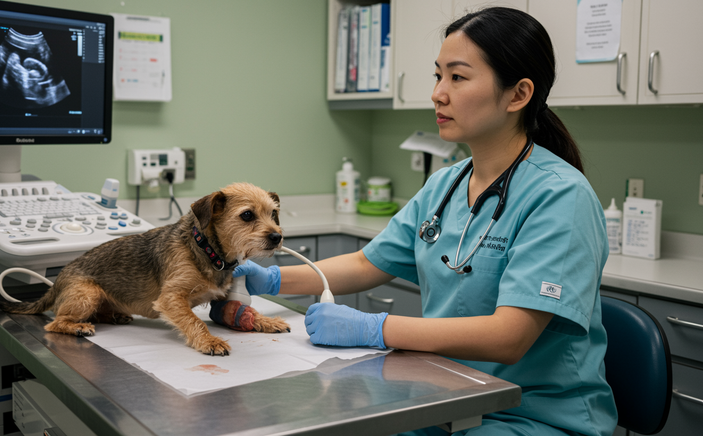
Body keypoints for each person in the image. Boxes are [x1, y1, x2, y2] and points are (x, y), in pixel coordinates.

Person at [234, 7, 617, 436]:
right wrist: (263, 279)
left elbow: (510, 336)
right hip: (444, 397)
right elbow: (366, 265)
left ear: (517, 95)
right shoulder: (446, 185)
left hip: (530, 415)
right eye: (438, 76)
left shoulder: (561, 196)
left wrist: (374, 328)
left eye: (457, 77)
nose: (438, 93)